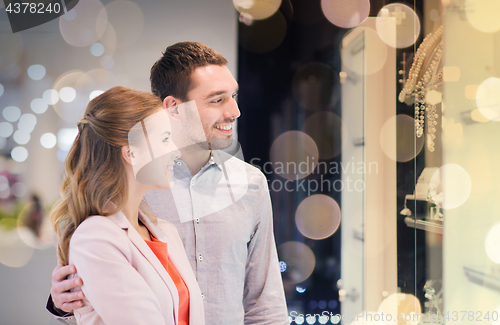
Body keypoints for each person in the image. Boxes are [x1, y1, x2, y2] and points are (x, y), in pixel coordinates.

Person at [48, 42, 288, 325]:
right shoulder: (129, 189)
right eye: (217, 99)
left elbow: (265, 306)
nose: (234, 111)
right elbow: (90, 297)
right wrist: (63, 303)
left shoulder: (250, 185)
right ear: (173, 107)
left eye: (233, 96)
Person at [50, 86, 204, 325]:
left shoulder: (164, 232)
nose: (175, 151)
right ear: (131, 153)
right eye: (165, 139)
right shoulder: (96, 237)